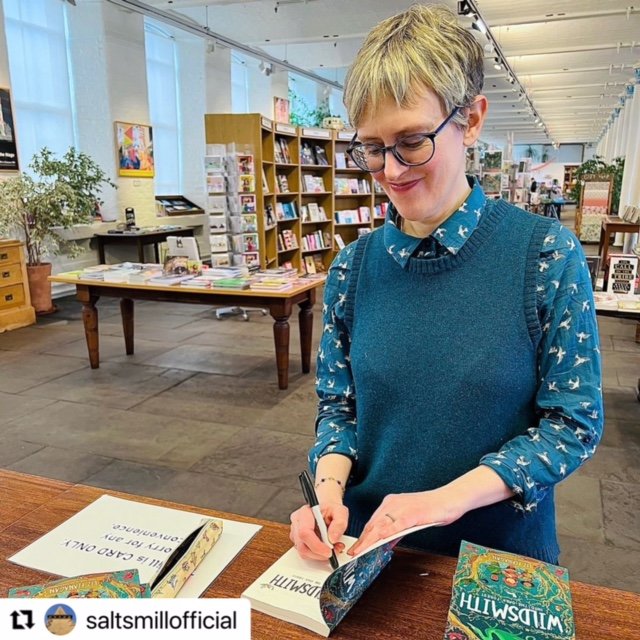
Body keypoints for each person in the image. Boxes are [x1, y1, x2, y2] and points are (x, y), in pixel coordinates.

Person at [289, 4, 603, 565]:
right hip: (366, 555)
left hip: (500, 567)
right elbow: (340, 411)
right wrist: (328, 492)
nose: (390, 170)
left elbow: (572, 424)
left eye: (412, 141)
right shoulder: (351, 270)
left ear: (472, 120)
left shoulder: (545, 257)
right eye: (371, 148)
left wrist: (443, 502)